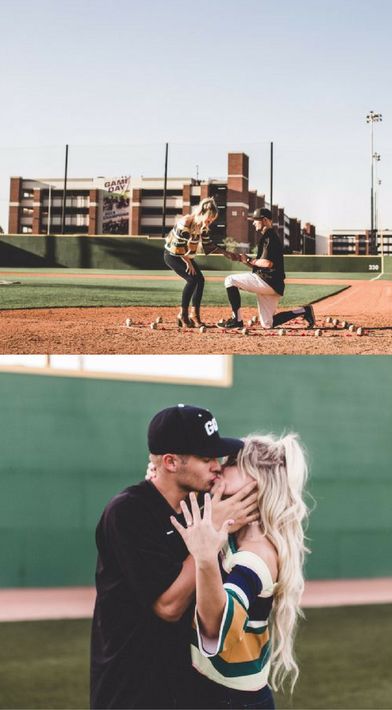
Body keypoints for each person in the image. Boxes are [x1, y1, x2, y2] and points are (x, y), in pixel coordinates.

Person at [90, 404, 259, 709]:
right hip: (131, 690)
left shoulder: (200, 504)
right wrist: (209, 535)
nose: (217, 466)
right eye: (206, 458)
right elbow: (168, 606)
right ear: (170, 462)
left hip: (185, 687)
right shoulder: (128, 512)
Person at [171, 432, 309, 710]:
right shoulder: (231, 526)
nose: (221, 465)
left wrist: (205, 557)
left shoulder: (256, 554)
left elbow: (216, 631)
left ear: (256, 480)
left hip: (232, 700)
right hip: (207, 689)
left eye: (234, 461)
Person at [218, 207, 316, 330]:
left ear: (264, 220)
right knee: (267, 324)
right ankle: (304, 311)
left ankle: (236, 320)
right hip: (274, 285)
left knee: (230, 280)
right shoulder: (269, 237)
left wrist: (249, 260)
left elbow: (267, 264)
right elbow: (261, 264)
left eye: (255, 220)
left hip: (266, 281)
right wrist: (243, 260)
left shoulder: (269, 238)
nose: (253, 223)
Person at [164, 197, 239, 328]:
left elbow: (208, 244)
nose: (209, 223)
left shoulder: (202, 227)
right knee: (192, 280)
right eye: (209, 219)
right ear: (202, 213)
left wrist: (225, 252)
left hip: (185, 256)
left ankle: (194, 315)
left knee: (200, 280)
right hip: (172, 255)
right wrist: (189, 263)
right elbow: (178, 247)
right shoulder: (186, 221)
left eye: (211, 221)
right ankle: (183, 314)